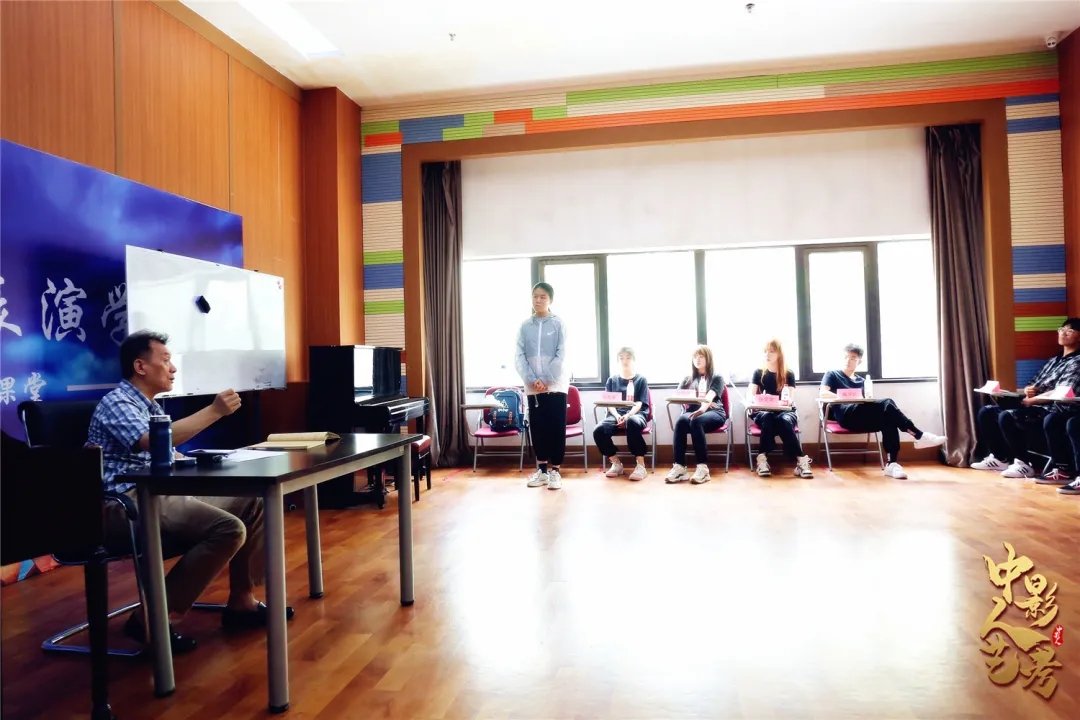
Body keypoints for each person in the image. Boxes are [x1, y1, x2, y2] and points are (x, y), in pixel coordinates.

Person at [86, 330, 293, 654]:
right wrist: (215, 411)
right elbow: (152, 441)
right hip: (124, 503)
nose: (173, 368)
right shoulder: (118, 402)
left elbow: (168, 454)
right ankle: (153, 619)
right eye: (165, 360)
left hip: (156, 494)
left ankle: (242, 602)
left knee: (253, 499)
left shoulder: (150, 406)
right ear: (140, 366)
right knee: (228, 528)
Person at [971, 319, 1080, 481]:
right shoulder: (1054, 359)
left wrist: (1033, 399)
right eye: (1061, 329)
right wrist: (1029, 390)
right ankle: (1000, 458)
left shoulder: (1077, 361)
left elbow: (1063, 390)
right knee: (986, 412)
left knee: (1007, 415)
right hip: (1033, 403)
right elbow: (1034, 383)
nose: (1063, 333)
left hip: (1052, 408)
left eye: (1069, 331)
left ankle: (1024, 464)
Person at [819, 343, 945, 479]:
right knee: (887, 403)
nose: (848, 361)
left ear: (859, 362)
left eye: (852, 358)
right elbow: (823, 393)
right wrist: (844, 396)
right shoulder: (833, 374)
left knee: (888, 417)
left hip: (861, 416)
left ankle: (892, 464)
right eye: (845, 357)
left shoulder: (862, 381)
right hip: (846, 416)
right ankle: (918, 435)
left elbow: (865, 402)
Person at [515, 282, 568, 490]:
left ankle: (556, 471)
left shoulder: (559, 324)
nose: (538, 300)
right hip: (533, 387)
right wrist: (531, 378)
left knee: (555, 427)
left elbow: (562, 355)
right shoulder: (524, 326)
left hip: (555, 385)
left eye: (543, 297)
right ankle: (542, 471)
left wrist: (545, 378)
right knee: (538, 428)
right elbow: (519, 355)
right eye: (535, 296)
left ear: (550, 300)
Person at [749, 339, 813, 478]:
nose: (767, 354)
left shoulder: (788, 373)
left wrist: (778, 403)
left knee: (784, 420)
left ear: (779, 353)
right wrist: (762, 400)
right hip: (763, 411)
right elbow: (751, 396)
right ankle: (762, 460)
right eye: (765, 351)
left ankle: (800, 462)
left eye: (771, 351)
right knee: (768, 418)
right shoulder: (758, 372)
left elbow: (789, 399)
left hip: (785, 411)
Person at [666, 345, 727, 484]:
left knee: (696, 421)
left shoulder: (717, 377)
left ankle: (703, 469)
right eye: (695, 357)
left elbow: (710, 396)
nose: (697, 359)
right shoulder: (688, 378)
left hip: (714, 412)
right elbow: (677, 396)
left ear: (708, 358)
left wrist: (703, 407)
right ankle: (679, 467)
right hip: (693, 411)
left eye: (701, 356)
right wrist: (697, 400)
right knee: (681, 421)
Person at [593, 347, 650, 481]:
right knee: (599, 431)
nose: (625, 361)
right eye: (621, 358)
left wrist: (628, 415)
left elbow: (640, 403)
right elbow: (609, 403)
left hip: (637, 413)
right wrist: (617, 416)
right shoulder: (612, 380)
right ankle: (616, 463)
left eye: (628, 358)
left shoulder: (641, 379)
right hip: (616, 414)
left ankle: (641, 465)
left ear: (633, 360)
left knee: (632, 422)